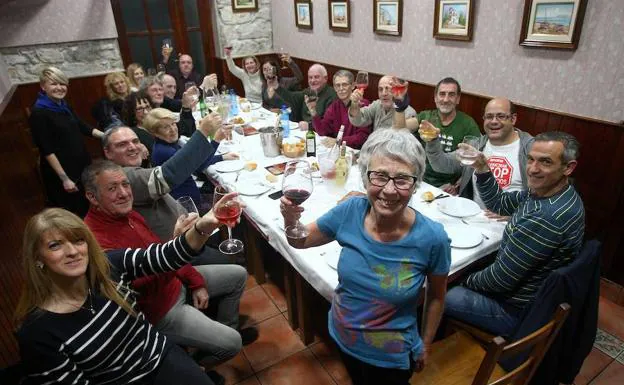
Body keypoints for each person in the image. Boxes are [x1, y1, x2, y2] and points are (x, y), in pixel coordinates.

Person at [280, 129, 450, 384]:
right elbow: (300, 240)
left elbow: (436, 296)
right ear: (364, 177)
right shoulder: (350, 211)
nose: (390, 190)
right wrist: (290, 218)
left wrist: (425, 344)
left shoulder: (432, 238)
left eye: (402, 179)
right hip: (342, 336)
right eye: (379, 176)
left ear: (416, 184)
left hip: (391, 355)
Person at [15, 202, 233, 384]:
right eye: (55, 245)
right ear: (37, 259)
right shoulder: (38, 333)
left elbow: (167, 256)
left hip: (163, 357)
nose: (72, 252)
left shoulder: (109, 267)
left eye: (78, 240)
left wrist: (203, 225)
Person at [81, 161, 253, 377]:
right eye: (112, 188)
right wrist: (180, 242)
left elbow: (161, 253)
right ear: (92, 197)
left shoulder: (128, 214)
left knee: (238, 275)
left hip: (174, 283)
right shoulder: (94, 240)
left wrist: (195, 281)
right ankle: (192, 368)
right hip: (161, 310)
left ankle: (222, 332)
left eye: (125, 184)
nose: (124, 193)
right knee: (232, 344)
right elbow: (138, 282)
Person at [444, 131, 585, 337]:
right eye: (530, 159)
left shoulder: (547, 217)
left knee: (441, 293)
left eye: (545, 162)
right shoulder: (548, 191)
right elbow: (500, 204)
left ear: (568, 167)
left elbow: (500, 281)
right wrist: (483, 168)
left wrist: (458, 279)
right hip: (523, 289)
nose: (533, 169)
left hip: (516, 311)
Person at [422, 98, 533, 208]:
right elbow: (442, 165)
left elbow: (546, 194)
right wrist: (432, 140)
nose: (494, 121)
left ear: (513, 119)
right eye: (489, 117)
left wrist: (516, 215)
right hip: (473, 215)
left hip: (512, 222)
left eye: (501, 116)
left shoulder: (531, 149)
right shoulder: (477, 144)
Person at [29, 66, 104, 217]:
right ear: (43, 86)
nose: (59, 88)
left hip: (81, 163)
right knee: (77, 213)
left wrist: (108, 135)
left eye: (62, 83)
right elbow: (47, 150)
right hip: (64, 172)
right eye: (54, 84)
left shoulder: (63, 105)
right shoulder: (39, 113)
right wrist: (65, 179)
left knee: (92, 204)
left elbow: (81, 125)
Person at [143, 108, 237, 208]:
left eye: (173, 124)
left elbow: (195, 161)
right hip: (189, 207)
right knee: (234, 199)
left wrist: (221, 157)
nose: (173, 129)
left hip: (192, 197)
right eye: (166, 127)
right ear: (155, 133)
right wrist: (216, 141)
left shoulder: (165, 145)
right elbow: (198, 168)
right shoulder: (164, 151)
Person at [416, 78, 481, 192]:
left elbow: (473, 161)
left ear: (458, 99)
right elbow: (400, 127)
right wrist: (400, 105)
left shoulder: (468, 124)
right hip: (420, 180)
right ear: (435, 98)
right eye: (442, 94)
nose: (446, 99)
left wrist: (458, 185)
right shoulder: (425, 117)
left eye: (451, 95)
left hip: (447, 187)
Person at [306, 69, 371, 149]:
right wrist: (313, 112)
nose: (341, 88)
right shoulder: (334, 106)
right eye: (337, 85)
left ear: (353, 85)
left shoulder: (363, 104)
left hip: (356, 151)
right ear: (334, 88)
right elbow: (322, 131)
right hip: (338, 148)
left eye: (344, 84)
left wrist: (338, 140)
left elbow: (362, 137)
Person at [273, 64, 338, 131]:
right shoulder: (308, 91)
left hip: (320, 134)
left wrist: (309, 126)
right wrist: (276, 87)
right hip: (304, 130)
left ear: (325, 78)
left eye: (316, 77)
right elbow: (292, 97)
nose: (312, 80)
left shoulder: (332, 96)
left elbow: (328, 125)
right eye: (310, 77)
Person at [349, 75, 418, 132]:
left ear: (398, 91)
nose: (384, 93)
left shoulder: (407, 111)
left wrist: (399, 105)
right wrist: (354, 103)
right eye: (380, 89)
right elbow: (357, 120)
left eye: (388, 89)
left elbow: (406, 128)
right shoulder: (377, 105)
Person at [122, 90, 155, 165]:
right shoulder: (131, 133)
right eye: (140, 109)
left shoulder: (159, 125)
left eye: (147, 107)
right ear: (131, 112)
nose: (146, 112)